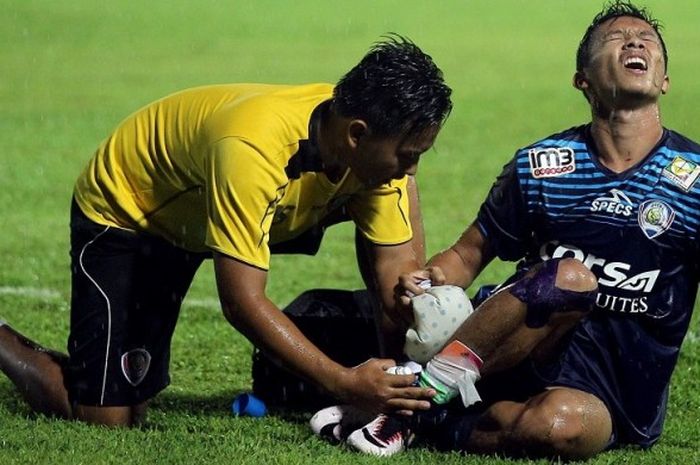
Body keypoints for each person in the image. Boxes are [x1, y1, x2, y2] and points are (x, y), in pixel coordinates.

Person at [0, 35, 452, 427]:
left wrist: (404, 364)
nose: (412, 169)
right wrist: (344, 382)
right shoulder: (253, 149)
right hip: (136, 213)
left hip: (244, 207)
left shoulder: (367, 153)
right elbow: (241, 303)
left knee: (394, 212)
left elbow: (396, 267)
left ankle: (397, 392)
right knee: (107, 418)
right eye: (408, 154)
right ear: (356, 134)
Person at [347, 1, 695, 459]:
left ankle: (423, 415)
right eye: (615, 38)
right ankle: (415, 403)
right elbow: (469, 253)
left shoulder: (692, 181)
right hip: (525, 346)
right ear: (582, 80)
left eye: (646, 40)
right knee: (570, 276)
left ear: (664, 80)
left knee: (560, 428)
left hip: (620, 387)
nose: (634, 42)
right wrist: (431, 279)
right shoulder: (542, 166)